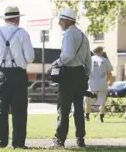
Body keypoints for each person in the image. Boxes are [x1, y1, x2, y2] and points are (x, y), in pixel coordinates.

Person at [0, 6, 34, 149]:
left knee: (1, 108)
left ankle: (1, 141)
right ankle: (18, 143)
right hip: (18, 74)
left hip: (1, 74)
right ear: (18, 18)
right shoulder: (23, 33)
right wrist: (22, 63)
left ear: (5, 18)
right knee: (19, 110)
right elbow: (30, 57)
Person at [52, 8, 91, 147]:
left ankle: (60, 139)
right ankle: (80, 139)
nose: (59, 23)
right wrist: (86, 75)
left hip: (69, 74)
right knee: (79, 109)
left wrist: (57, 63)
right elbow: (88, 59)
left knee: (64, 108)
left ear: (67, 21)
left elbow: (67, 55)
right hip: (80, 73)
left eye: (61, 20)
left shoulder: (68, 34)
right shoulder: (82, 35)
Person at [84, 46, 113, 123]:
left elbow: (85, 72)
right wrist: (110, 81)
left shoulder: (89, 60)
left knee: (88, 101)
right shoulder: (105, 60)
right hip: (102, 84)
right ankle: (101, 118)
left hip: (92, 84)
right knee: (102, 102)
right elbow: (109, 73)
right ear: (100, 51)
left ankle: (87, 116)